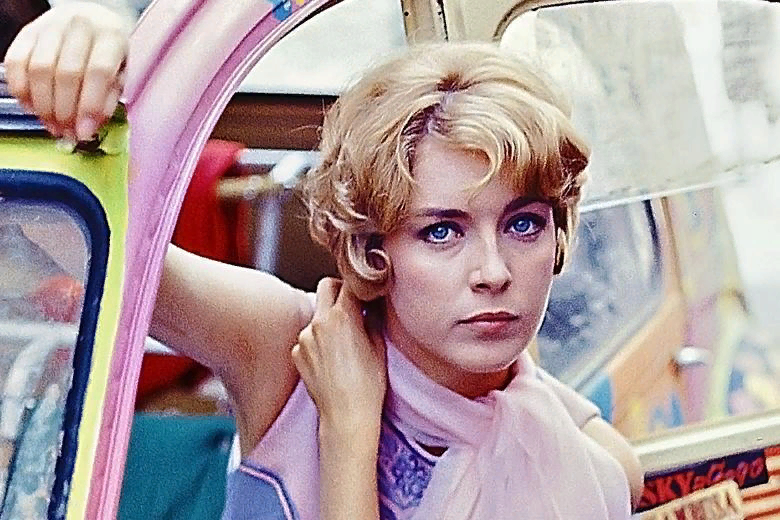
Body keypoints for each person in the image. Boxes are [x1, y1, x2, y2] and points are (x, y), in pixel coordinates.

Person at [5, 4, 644, 519]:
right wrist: (89, 36)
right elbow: (69, 235)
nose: (494, 272)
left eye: (523, 224)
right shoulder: (289, 344)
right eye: (441, 231)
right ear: (375, 249)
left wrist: (350, 430)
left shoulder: (585, 457)